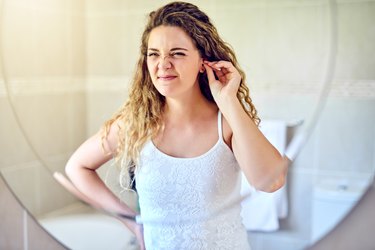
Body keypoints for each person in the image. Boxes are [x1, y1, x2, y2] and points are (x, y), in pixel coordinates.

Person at [65, 1, 288, 249]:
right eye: (154, 54)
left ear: (203, 61)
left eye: (177, 53)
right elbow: (77, 167)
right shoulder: (136, 124)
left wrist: (229, 102)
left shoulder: (226, 123)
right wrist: (133, 222)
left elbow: (271, 182)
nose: (163, 64)